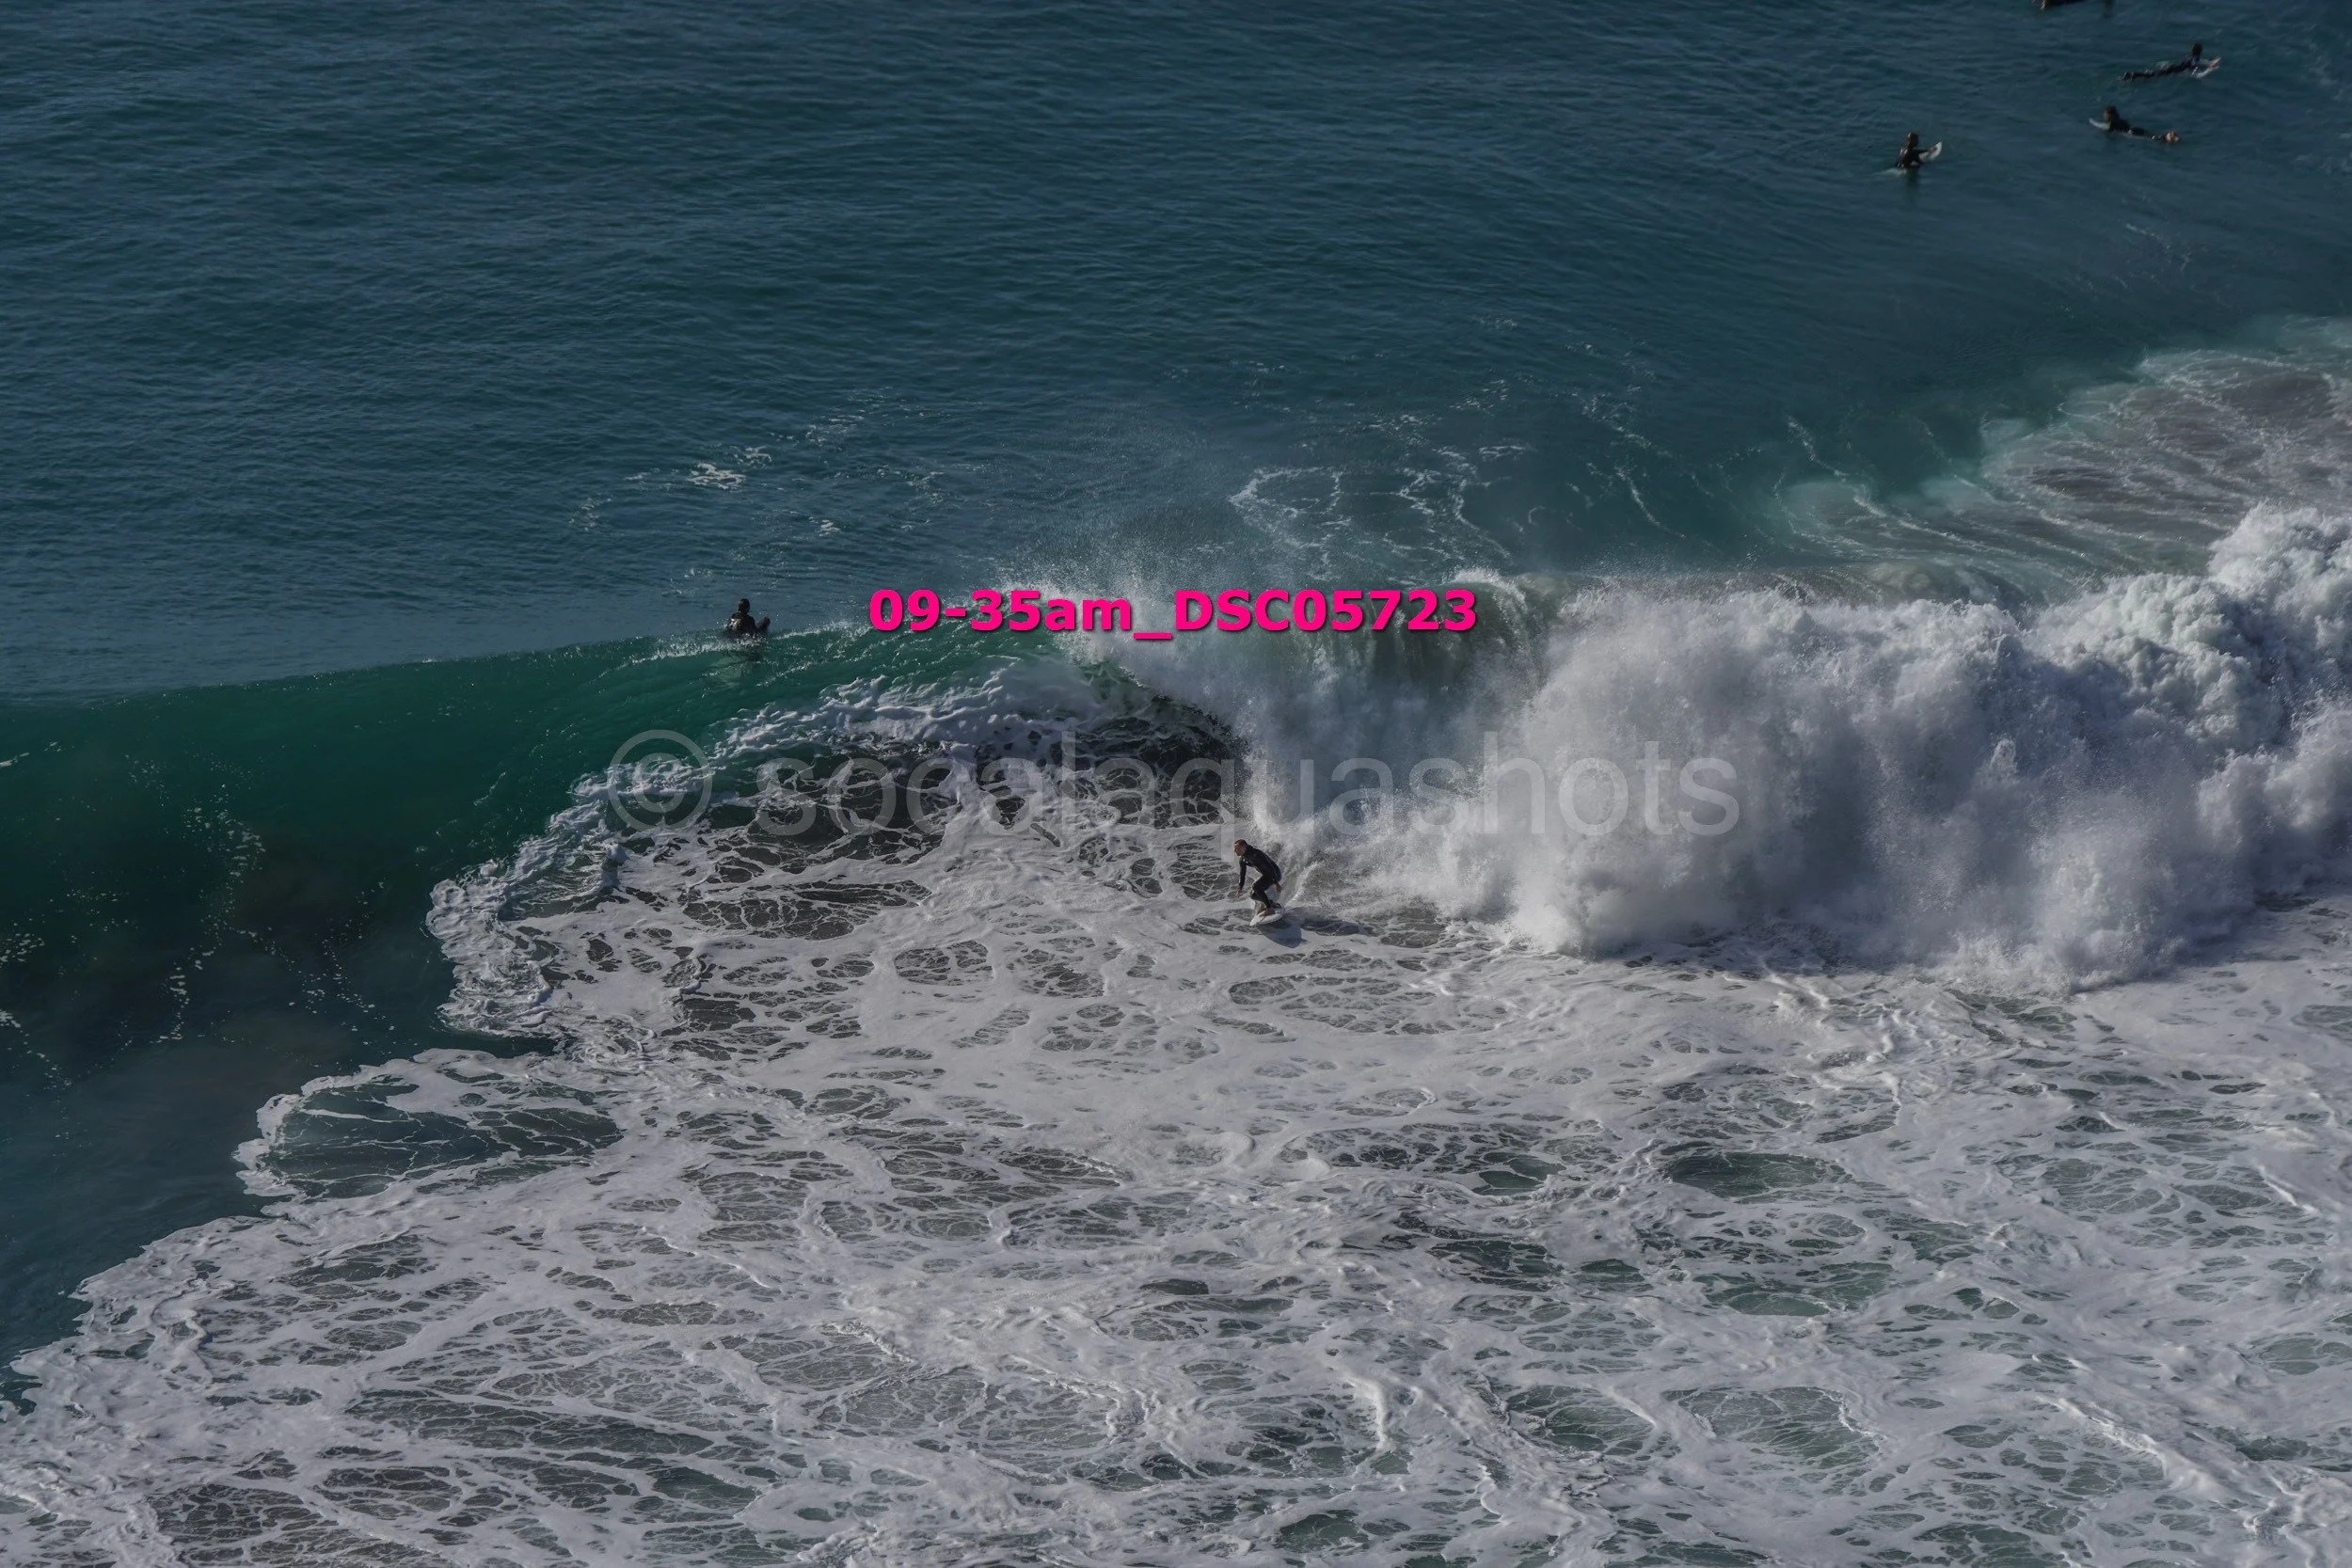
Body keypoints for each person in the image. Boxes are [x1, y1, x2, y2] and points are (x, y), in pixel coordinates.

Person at [1233, 838, 1282, 915]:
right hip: (1267, 875)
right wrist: (1240, 887)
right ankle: (1272, 904)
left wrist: (1275, 882)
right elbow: (1242, 873)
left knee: (1256, 887)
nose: (1235, 851)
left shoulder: (1256, 855)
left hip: (1274, 874)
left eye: (1236, 849)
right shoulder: (1243, 859)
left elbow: (1270, 867)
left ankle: (1270, 909)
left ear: (1243, 848)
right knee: (1253, 895)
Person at [2098, 105, 2181, 145]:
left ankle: (2168, 138)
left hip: (2132, 133)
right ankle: (2170, 136)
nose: (2104, 116)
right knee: (2151, 135)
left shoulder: (2112, 123)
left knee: (2153, 138)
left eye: (2105, 114)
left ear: (2110, 115)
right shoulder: (2121, 120)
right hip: (2135, 129)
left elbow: (2109, 131)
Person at [2123, 43, 2205, 82]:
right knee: (2152, 76)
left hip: (2172, 67)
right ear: (2199, 51)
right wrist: (2201, 68)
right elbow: (2194, 64)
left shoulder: (2188, 56)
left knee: (2153, 73)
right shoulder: (2195, 57)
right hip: (2174, 70)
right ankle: (2134, 74)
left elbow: (2189, 64)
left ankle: (2134, 74)